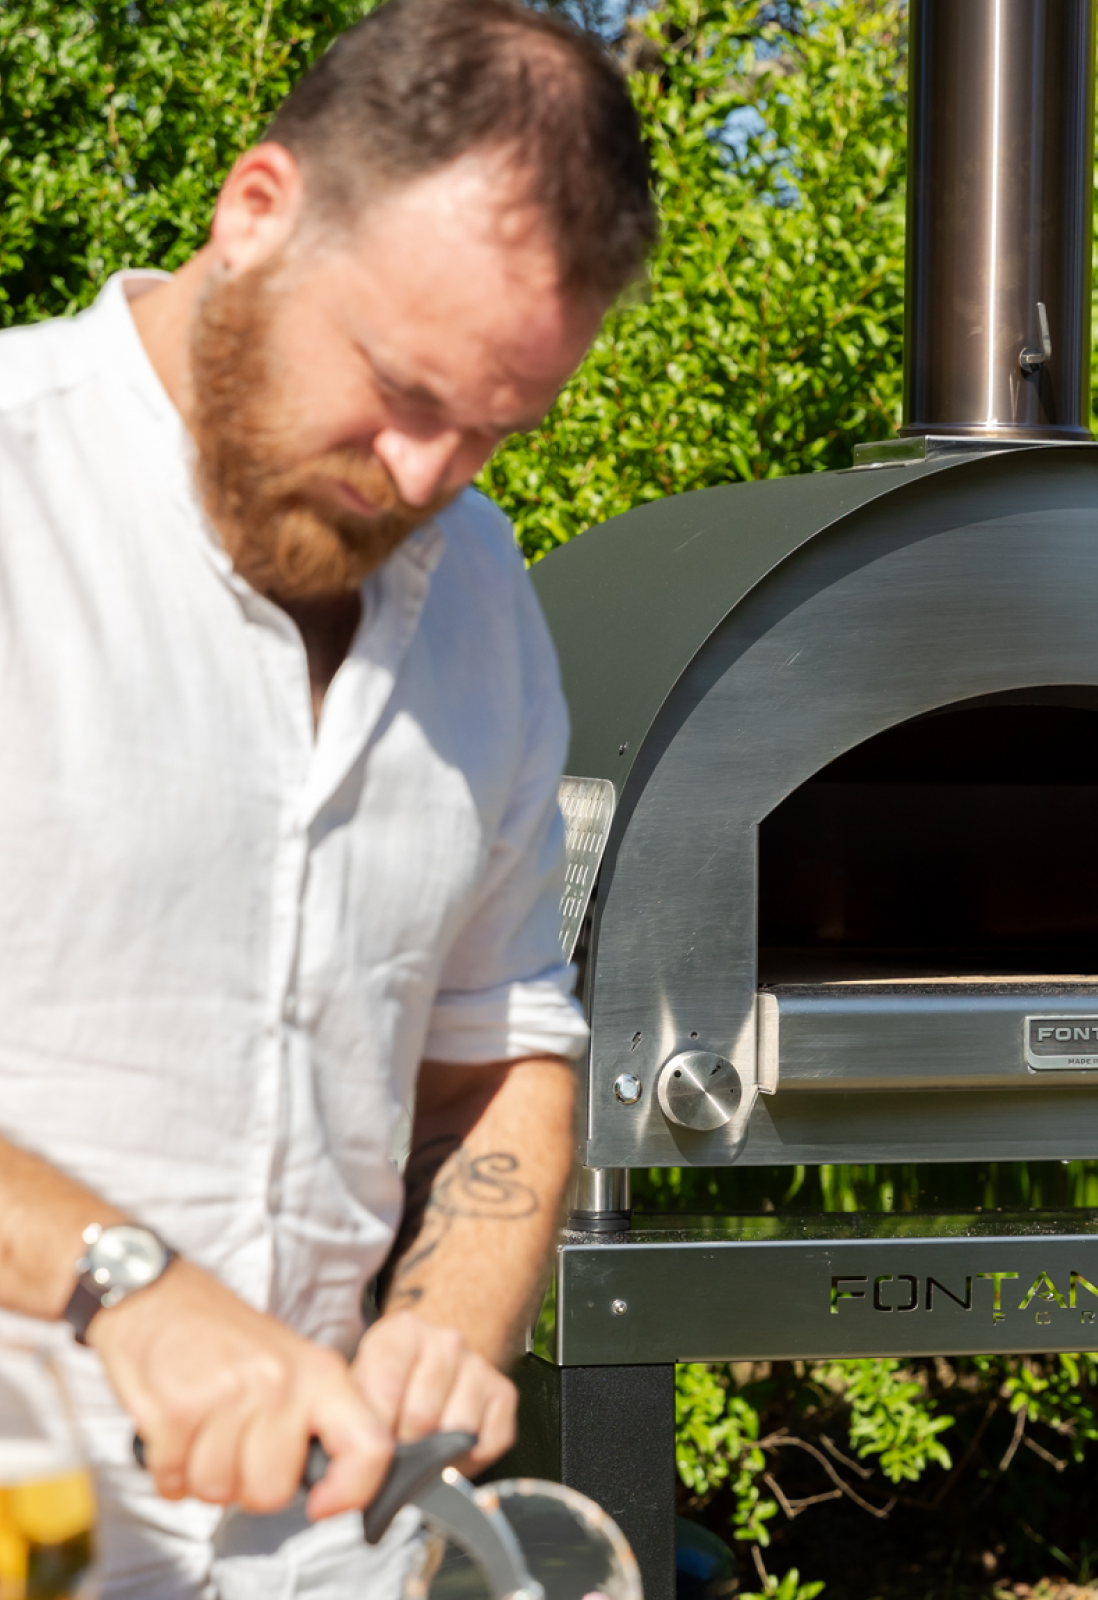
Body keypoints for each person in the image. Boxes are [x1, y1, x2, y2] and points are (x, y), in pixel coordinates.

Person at [0, 0, 654, 1592]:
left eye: (494, 429)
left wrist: (446, 1318)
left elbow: (508, 1046)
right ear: (255, 213)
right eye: (402, 389)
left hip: (335, 1554)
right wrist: (126, 1286)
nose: (426, 476)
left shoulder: (483, 595)